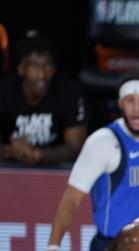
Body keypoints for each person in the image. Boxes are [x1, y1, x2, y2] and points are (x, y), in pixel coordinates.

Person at [38, 70, 139, 251]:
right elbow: (72, 197)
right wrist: (53, 246)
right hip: (113, 247)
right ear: (121, 104)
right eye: (130, 100)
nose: (137, 107)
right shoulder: (103, 141)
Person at [0, 31, 86, 165]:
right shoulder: (4, 91)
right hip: (9, 167)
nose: (42, 74)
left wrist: (40, 155)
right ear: (21, 68)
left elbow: (76, 147)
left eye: (48, 66)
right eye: (34, 66)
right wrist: (11, 150)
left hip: (56, 167)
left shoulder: (69, 91)